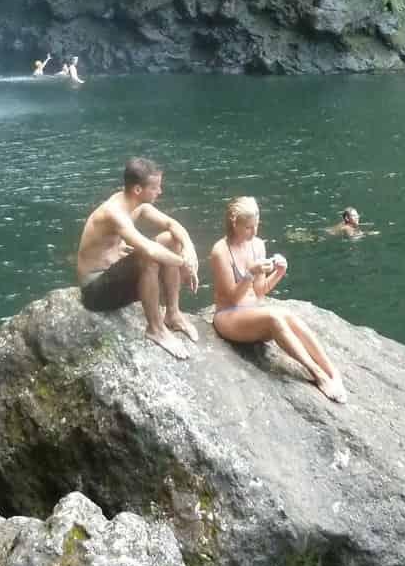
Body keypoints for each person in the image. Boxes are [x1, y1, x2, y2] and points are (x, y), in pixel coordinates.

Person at [210, 196, 347, 402]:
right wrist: (249, 274)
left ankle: (331, 371)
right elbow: (233, 298)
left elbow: (260, 292)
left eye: (256, 225)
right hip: (228, 315)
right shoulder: (220, 252)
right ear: (233, 222)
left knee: (288, 316)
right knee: (274, 318)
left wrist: (280, 272)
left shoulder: (257, 245)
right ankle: (317, 375)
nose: (254, 232)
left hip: (252, 310)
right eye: (248, 227)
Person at [76, 157, 199, 359]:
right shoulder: (114, 213)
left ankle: (173, 314)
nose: (160, 191)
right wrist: (183, 263)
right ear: (138, 190)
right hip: (95, 291)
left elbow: (171, 225)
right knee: (147, 258)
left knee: (171, 240)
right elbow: (148, 250)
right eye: (155, 187)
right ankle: (156, 329)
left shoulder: (135, 203)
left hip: (114, 274)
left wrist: (189, 249)